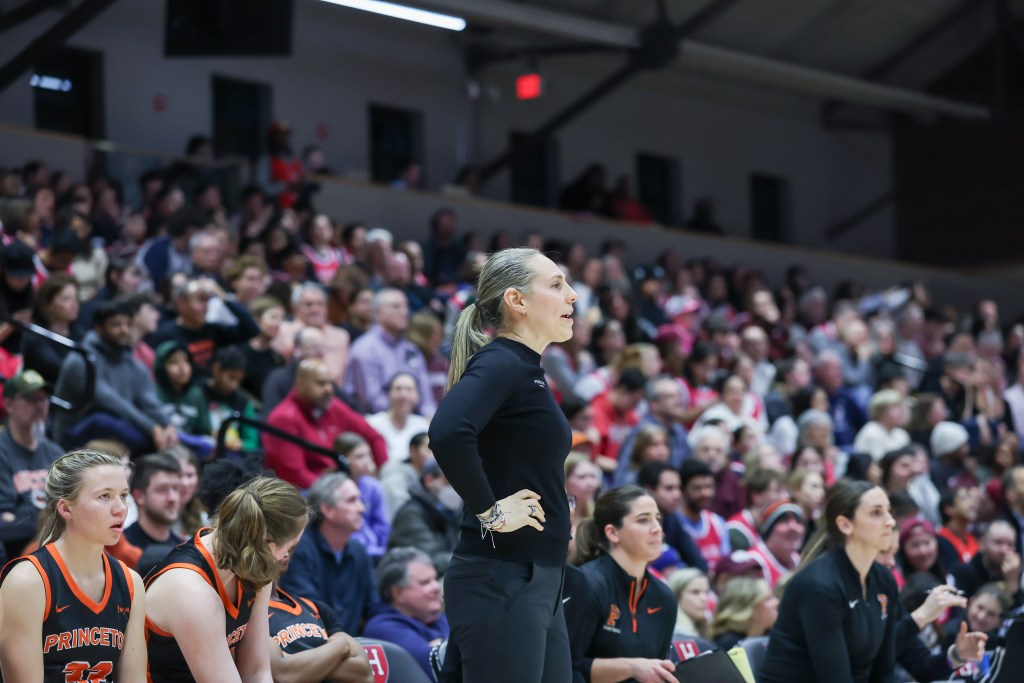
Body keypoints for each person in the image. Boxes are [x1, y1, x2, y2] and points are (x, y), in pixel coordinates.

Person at [428, 247, 577, 682]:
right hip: (504, 578)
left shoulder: (524, 368)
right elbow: (447, 432)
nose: (571, 296)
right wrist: (490, 511)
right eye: (555, 285)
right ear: (517, 301)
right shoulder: (501, 361)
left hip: (537, 578)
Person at [0, 449, 147, 681]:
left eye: (123, 495)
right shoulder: (27, 582)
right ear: (66, 508)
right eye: (104, 496)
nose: (120, 508)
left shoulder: (131, 583)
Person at [144, 476, 308, 683]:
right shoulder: (190, 590)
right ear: (269, 543)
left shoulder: (256, 563)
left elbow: (257, 672)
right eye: (290, 547)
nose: (287, 557)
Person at [759, 479, 899, 683]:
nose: (890, 521)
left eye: (889, 510)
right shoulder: (819, 586)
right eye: (876, 513)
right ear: (845, 524)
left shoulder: (884, 579)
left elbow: (884, 673)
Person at [571, 486, 677, 682]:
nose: (657, 529)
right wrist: (631, 667)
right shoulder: (588, 584)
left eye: (657, 519)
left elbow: (658, 672)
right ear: (612, 533)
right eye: (643, 520)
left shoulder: (665, 598)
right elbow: (565, 666)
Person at [52, 300, 177, 454]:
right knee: (103, 421)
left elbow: (148, 400)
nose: (124, 330)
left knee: (171, 434)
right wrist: (151, 428)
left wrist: (166, 424)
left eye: (128, 324)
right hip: (73, 435)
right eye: (116, 325)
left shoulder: (132, 362)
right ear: (99, 328)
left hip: (121, 427)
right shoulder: (81, 360)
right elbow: (110, 402)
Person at [263, 359, 387, 487]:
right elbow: (295, 476)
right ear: (300, 384)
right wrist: (338, 490)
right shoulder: (284, 419)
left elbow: (374, 436)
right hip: (306, 496)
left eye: (330, 383)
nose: (329, 389)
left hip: (339, 484)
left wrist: (383, 472)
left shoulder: (333, 406)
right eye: (321, 383)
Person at [280, 472, 375, 637]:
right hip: (313, 645)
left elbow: (374, 606)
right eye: (351, 501)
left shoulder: (358, 551)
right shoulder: (299, 549)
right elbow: (308, 610)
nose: (361, 508)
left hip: (352, 645)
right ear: (328, 510)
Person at [0, 370, 64, 558]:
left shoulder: (55, 452)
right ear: (9, 404)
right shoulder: (2, 449)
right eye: (30, 399)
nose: (40, 406)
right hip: (14, 551)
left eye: (44, 399)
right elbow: (4, 522)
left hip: (53, 542)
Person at [346, 288, 436, 417]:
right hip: (377, 420)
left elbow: (425, 394)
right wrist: (406, 415)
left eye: (406, 306)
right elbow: (371, 401)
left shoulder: (410, 349)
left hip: (411, 418)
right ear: (378, 313)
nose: (405, 312)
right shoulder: (365, 349)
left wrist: (429, 417)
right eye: (396, 307)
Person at [362, 547, 450, 678]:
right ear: (397, 593)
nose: (436, 587)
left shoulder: (437, 617)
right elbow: (435, 667)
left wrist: (439, 645)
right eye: (425, 582)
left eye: (434, 579)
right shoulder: (383, 628)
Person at [388, 459, 460, 575]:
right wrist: (471, 558)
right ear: (429, 480)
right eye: (448, 482)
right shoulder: (411, 514)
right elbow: (430, 562)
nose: (456, 489)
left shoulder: (449, 510)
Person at [366, 372, 432, 464]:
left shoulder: (423, 425)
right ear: (388, 394)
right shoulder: (372, 423)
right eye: (398, 389)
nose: (403, 395)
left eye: (409, 390)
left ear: (417, 395)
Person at [122, 452, 182, 553]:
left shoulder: (183, 548)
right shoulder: (121, 548)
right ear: (139, 496)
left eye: (175, 488)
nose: (172, 498)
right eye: (162, 489)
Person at [709, 576, 779, 650]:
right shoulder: (728, 647)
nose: (776, 602)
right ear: (750, 608)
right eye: (768, 599)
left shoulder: (772, 636)